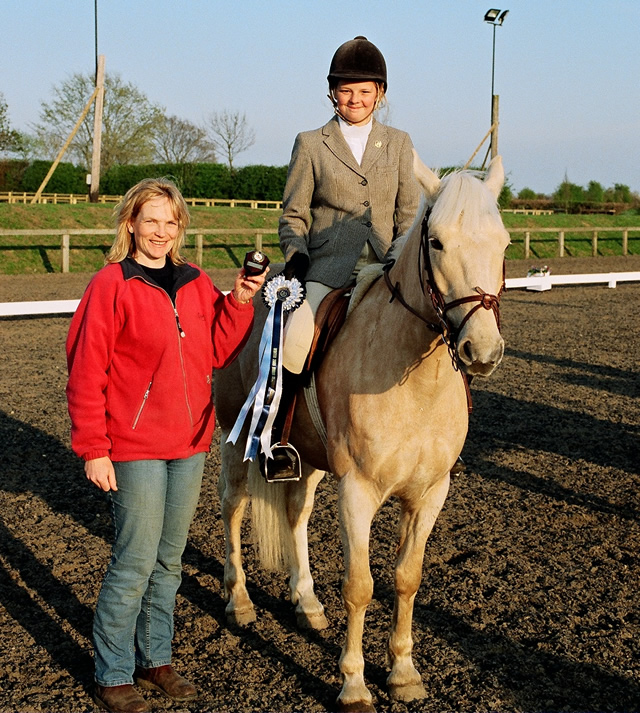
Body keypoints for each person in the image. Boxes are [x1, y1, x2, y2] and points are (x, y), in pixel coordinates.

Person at [66, 177, 266, 713]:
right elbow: (86, 371)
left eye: (170, 222)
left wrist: (240, 301)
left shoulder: (195, 280)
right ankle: (113, 672)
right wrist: (94, 447)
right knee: (134, 561)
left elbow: (217, 349)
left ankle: (156, 660)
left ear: (180, 227)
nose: (160, 231)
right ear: (130, 223)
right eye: (150, 220)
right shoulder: (111, 284)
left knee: (169, 562)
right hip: (133, 445)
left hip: (190, 442)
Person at [268, 36, 421, 472]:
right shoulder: (311, 143)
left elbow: (408, 214)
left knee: (437, 325)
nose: (355, 99)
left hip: (385, 265)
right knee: (295, 343)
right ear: (332, 92)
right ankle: (280, 439)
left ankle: (445, 438)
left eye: (365, 91)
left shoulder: (399, 143)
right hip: (328, 266)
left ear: (381, 94)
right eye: (346, 90)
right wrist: (296, 255)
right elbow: (293, 214)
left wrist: (396, 256)